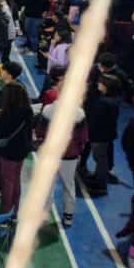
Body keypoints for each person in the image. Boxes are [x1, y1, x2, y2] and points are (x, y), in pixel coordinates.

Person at [36, 96, 88, 227]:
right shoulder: (79, 113)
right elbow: (83, 137)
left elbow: (39, 131)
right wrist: (78, 150)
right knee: (69, 186)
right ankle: (68, 217)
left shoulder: (48, 110)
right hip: (70, 156)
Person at [0, 81, 33, 213]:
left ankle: (5, 211)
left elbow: (0, 133)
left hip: (9, 151)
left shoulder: (9, 113)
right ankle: (15, 210)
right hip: (22, 149)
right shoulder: (28, 110)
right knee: (16, 180)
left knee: (7, 182)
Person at [82, 73, 122, 196]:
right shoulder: (114, 99)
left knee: (100, 159)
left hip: (99, 135)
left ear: (106, 86)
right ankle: (98, 176)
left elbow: (95, 120)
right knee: (101, 158)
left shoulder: (103, 103)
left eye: (101, 82)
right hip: (107, 134)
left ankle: (101, 184)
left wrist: (88, 133)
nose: (98, 84)